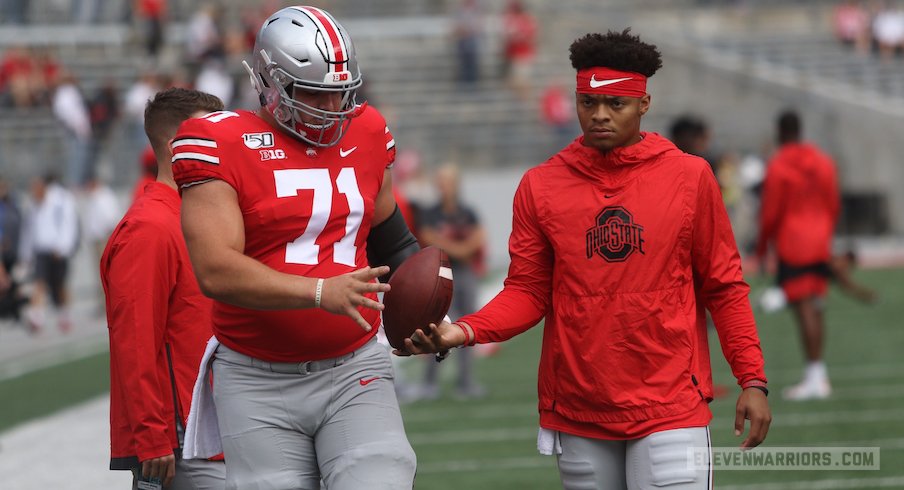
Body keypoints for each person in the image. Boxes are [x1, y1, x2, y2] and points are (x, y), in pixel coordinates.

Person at [398, 29, 772, 489]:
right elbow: (527, 293)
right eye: (587, 102)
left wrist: (752, 379)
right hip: (579, 407)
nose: (598, 116)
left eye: (616, 104)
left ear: (644, 104)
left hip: (670, 402)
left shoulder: (689, 176)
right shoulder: (541, 185)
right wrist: (464, 329)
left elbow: (724, 286)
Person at [173, 7, 419, 489]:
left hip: (355, 366)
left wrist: (425, 313)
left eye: (340, 94)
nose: (332, 110)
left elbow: (393, 236)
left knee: (382, 477)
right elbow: (216, 270)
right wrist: (319, 291)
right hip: (255, 379)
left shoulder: (368, 130)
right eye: (314, 94)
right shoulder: (217, 139)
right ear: (269, 81)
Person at [101, 87, 226, 489]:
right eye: (213, 139)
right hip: (181, 441)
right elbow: (135, 342)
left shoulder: (196, 217)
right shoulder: (150, 228)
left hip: (214, 429)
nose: (225, 150)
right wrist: (153, 438)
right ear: (177, 147)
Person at [756, 110, 840, 401]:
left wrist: (762, 247)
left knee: (804, 308)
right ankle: (817, 373)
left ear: (780, 131)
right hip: (820, 237)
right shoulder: (823, 161)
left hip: (794, 241)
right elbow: (833, 202)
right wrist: (825, 233)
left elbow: (770, 213)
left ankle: (815, 376)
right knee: (815, 305)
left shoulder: (778, 166)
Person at [416, 163, 486, 400]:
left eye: (447, 181)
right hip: (441, 276)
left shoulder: (468, 212)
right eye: (440, 181)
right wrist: (459, 249)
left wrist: (454, 249)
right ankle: (429, 383)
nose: (443, 186)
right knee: (436, 327)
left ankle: (466, 383)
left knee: (469, 327)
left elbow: (478, 237)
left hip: (465, 275)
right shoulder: (430, 213)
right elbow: (428, 239)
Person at [20, 174, 79, 334]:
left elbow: (67, 224)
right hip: (41, 250)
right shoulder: (33, 207)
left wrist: (62, 246)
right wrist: (26, 255)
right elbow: (29, 232)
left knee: (59, 284)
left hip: (57, 250)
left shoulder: (59, 201)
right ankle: (37, 317)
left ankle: (65, 315)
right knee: (40, 282)